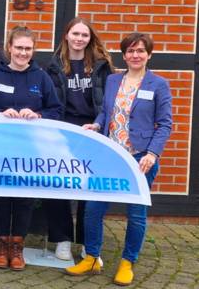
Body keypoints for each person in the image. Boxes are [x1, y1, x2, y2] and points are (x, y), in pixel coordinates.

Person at [66, 33, 172, 286]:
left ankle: (127, 262)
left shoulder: (158, 84)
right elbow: (105, 111)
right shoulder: (114, 80)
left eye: (140, 51)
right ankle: (92, 257)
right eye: (131, 51)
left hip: (140, 158)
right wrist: (96, 125)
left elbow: (165, 124)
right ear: (124, 55)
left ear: (149, 54)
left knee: (135, 214)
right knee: (93, 210)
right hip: (110, 154)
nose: (135, 55)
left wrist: (152, 153)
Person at [0, 25, 62, 271]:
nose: (23, 53)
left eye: (28, 48)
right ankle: (2, 246)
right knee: (1, 199)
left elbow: (56, 110)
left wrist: (38, 114)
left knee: (24, 199)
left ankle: (17, 248)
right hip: (0, 149)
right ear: (9, 48)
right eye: (19, 47)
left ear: (33, 51)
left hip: (30, 152)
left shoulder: (41, 78)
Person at [44, 17, 113, 261]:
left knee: (88, 188)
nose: (79, 39)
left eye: (84, 35)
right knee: (59, 185)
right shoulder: (54, 66)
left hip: (92, 131)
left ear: (89, 39)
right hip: (62, 132)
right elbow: (48, 100)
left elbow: (108, 103)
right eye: (75, 34)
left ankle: (87, 242)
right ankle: (62, 239)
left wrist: (100, 126)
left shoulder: (101, 66)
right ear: (66, 35)